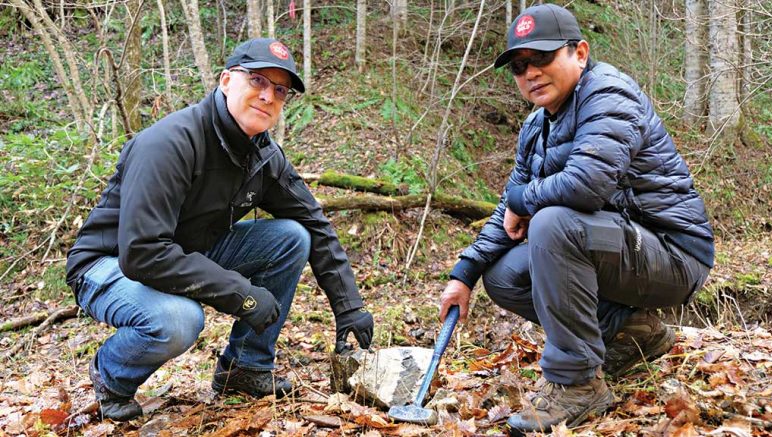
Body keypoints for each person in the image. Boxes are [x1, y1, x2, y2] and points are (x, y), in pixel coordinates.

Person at [66, 38, 374, 422]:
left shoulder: (263, 155)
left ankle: (245, 368)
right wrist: (242, 295)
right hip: (109, 262)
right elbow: (142, 252)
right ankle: (112, 376)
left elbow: (315, 223)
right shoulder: (170, 143)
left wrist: (349, 307)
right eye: (257, 81)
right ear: (227, 80)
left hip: (188, 251)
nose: (268, 96)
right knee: (179, 319)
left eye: (280, 90)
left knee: (293, 237)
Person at [438, 4, 713, 434]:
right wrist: (465, 272)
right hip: (617, 248)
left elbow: (585, 186)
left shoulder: (609, 94)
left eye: (543, 58)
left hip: (673, 254)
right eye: (519, 65)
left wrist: (520, 198)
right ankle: (633, 331)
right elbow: (509, 211)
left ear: (580, 53)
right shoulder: (536, 126)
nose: (530, 73)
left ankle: (578, 383)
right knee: (505, 274)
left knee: (551, 223)